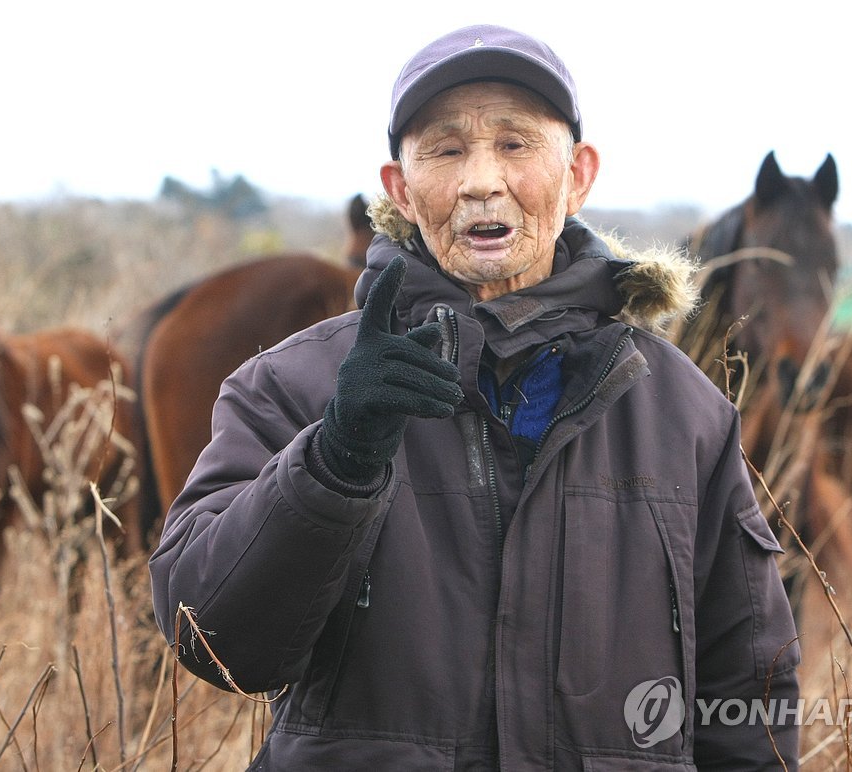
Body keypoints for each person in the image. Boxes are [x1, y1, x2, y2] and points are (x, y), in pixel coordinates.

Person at [150, 23, 800, 770]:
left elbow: (750, 690)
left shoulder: (685, 413)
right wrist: (335, 463)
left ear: (579, 175)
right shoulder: (292, 385)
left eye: (516, 144)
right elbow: (213, 641)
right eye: (447, 149)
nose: (481, 180)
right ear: (399, 188)